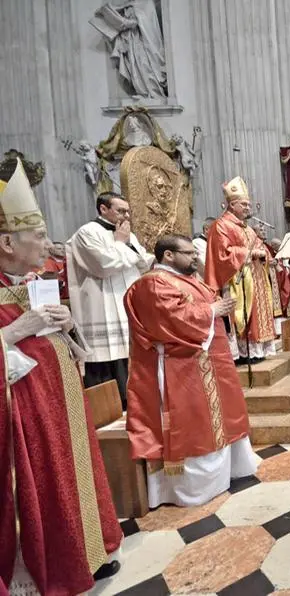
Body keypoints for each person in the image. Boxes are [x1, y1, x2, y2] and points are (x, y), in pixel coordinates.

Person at [0, 159, 122, 595]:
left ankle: (93, 550)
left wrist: (66, 324)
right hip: (22, 413)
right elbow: (15, 337)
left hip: (60, 398)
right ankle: (53, 566)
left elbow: (52, 334)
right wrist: (12, 333)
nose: (46, 241)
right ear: (7, 242)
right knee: (46, 482)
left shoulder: (35, 278)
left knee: (76, 470)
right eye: (37, 234)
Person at [124, 235, 258, 508]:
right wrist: (211, 310)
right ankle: (193, 489)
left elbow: (205, 302)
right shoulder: (152, 284)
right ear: (168, 256)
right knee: (194, 425)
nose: (196, 257)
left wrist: (217, 307)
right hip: (180, 367)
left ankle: (229, 472)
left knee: (222, 417)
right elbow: (170, 319)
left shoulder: (188, 279)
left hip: (208, 362)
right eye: (189, 253)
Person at [67, 191, 153, 406]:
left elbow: (142, 262)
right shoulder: (87, 233)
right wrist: (121, 244)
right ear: (103, 209)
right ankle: (110, 404)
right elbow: (104, 266)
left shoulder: (127, 234)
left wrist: (131, 247)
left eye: (128, 211)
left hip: (128, 299)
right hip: (101, 300)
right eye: (120, 210)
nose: (126, 216)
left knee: (129, 350)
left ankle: (136, 398)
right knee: (106, 355)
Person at [204, 177, 277, 364]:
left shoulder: (247, 228)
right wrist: (249, 253)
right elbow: (222, 255)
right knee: (242, 314)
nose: (247, 208)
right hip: (237, 280)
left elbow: (261, 248)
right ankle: (244, 353)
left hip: (256, 278)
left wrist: (263, 254)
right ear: (232, 204)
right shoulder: (221, 226)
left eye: (249, 204)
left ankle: (258, 350)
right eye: (244, 204)